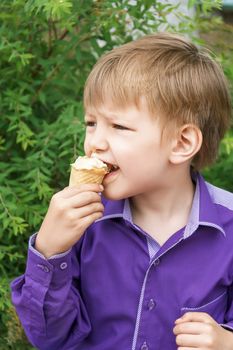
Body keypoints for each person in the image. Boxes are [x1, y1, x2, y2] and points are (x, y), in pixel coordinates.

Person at [11, 32, 233, 350]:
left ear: (182, 143)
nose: (95, 142)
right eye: (91, 123)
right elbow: (51, 338)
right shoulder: (81, 223)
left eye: (118, 126)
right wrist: (49, 251)